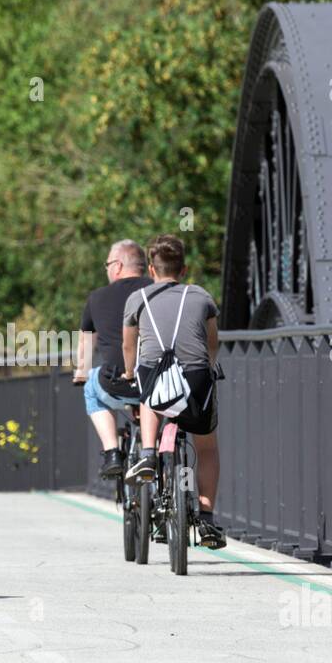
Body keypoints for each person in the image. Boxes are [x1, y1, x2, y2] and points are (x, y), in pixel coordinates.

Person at [121, 234, 225, 548]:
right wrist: (209, 365)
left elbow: (129, 345)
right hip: (195, 381)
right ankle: (206, 519)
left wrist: (129, 373)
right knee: (206, 449)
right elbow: (212, 343)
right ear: (184, 269)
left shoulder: (137, 299)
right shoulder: (202, 297)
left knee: (148, 390)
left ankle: (149, 455)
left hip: (156, 381)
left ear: (151, 269)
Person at [72, 240, 153, 478]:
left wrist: (81, 372)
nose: (106, 269)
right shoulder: (157, 290)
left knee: (91, 385)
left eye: (107, 264)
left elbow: (86, 344)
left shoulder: (97, 298)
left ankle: (112, 453)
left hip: (117, 384)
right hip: (157, 383)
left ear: (117, 266)